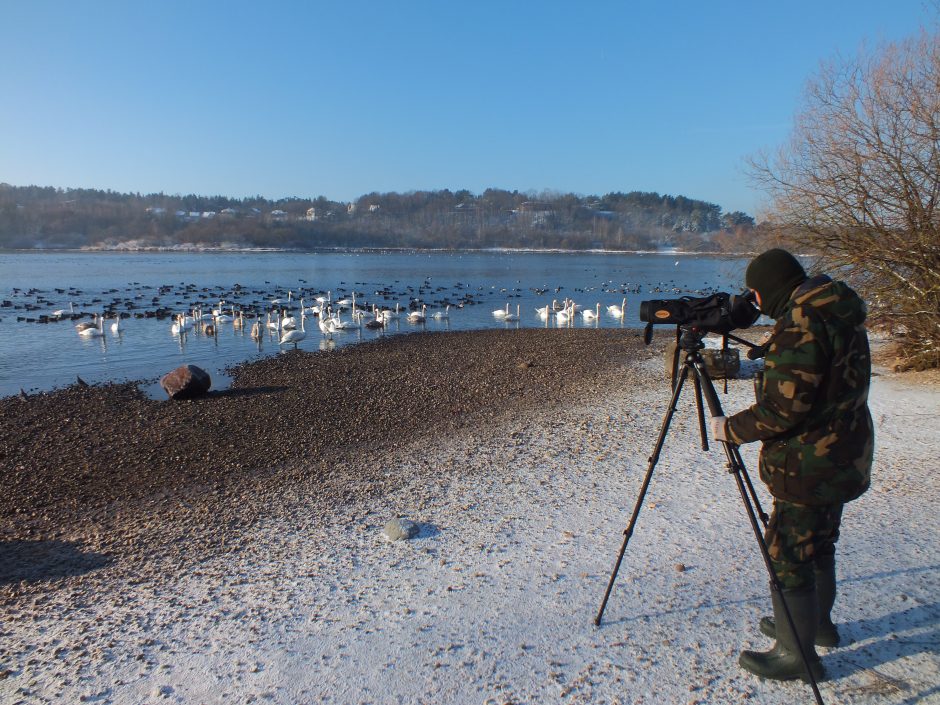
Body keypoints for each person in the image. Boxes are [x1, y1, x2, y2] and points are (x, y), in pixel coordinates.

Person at [710, 248, 874, 682]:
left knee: (787, 553)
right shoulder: (836, 311)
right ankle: (814, 626)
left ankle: (795, 656)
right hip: (843, 453)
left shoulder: (802, 323)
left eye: (757, 293)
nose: (755, 302)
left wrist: (730, 428)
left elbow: (784, 408)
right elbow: (816, 379)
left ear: (770, 289)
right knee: (819, 544)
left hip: (810, 462)